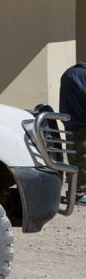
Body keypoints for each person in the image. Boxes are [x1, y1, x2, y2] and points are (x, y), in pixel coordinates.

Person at [58, 62, 86, 199]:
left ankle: (76, 192)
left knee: (76, 160)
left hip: (71, 124)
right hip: (82, 126)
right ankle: (79, 195)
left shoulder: (70, 73)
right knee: (82, 162)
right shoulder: (82, 75)